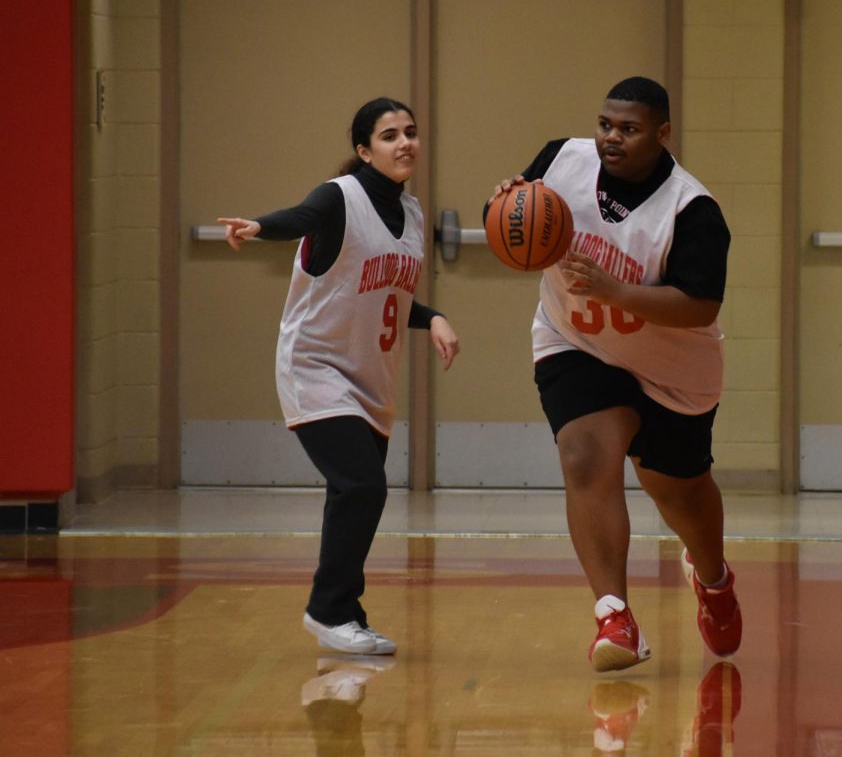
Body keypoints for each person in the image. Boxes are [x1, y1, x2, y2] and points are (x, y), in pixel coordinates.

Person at [490, 76, 741, 672]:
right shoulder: (560, 160)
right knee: (583, 456)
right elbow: (515, 220)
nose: (611, 138)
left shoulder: (693, 210)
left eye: (628, 129)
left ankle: (713, 578)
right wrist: (502, 203)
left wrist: (615, 290)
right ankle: (614, 617)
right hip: (574, 339)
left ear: (662, 133)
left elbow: (700, 306)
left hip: (672, 366)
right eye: (606, 124)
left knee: (681, 495)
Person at [220, 97, 459, 655]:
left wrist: (435, 317)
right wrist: (258, 226)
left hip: (371, 377)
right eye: (389, 135)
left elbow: (390, 296)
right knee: (363, 486)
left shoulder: (415, 214)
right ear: (363, 150)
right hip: (315, 365)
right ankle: (327, 611)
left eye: (410, 132)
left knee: (352, 493)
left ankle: (346, 611)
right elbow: (299, 219)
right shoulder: (340, 197)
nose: (404, 143)